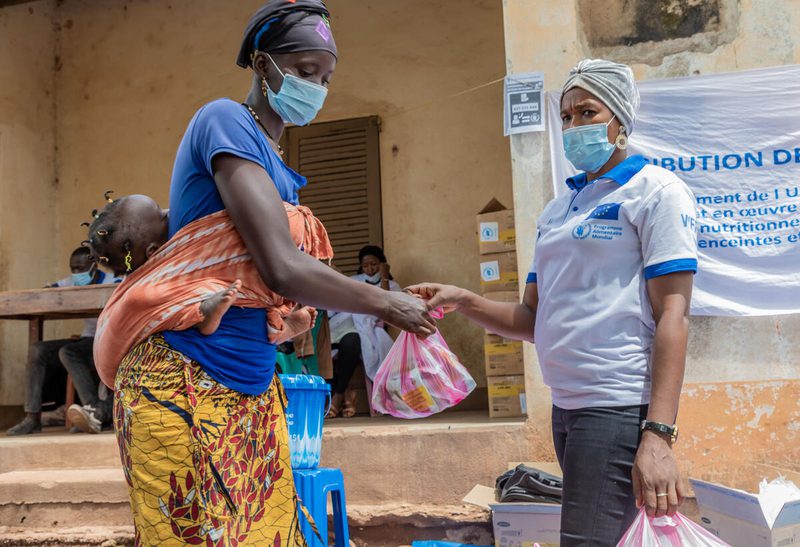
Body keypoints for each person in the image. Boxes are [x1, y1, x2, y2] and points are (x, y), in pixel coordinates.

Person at [109, 2, 433, 545]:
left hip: (251, 391)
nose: (317, 87)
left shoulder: (278, 166)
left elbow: (273, 282)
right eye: (305, 72)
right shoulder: (224, 120)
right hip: (182, 387)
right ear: (262, 66)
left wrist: (296, 315)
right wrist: (386, 303)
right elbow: (281, 266)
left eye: (325, 78)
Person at [409, 59, 698, 545]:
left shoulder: (656, 192)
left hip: (616, 405)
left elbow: (675, 314)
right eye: (565, 117)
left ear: (620, 120)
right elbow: (530, 319)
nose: (573, 127)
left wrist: (658, 434)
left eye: (587, 112)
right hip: (566, 408)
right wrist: (462, 299)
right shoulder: (558, 209)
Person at [86, 192, 329, 386]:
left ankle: (278, 328)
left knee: (223, 300)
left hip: (134, 357)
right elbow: (183, 313)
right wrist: (207, 309)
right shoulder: (147, 290)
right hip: (129, 364)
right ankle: (260, 325)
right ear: (152, 251)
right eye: (162, 215)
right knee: (200, 311)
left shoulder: (175, 267)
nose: (170, 212)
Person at [6, 247, 118, 436]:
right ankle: (32, 418)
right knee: (38, 350)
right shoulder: (70, 282)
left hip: (108, 342)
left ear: (94, 266)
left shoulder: (112, 281)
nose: (76, 273)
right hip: (87, 341)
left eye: (80, 268)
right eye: (73, 269)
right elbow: (46, 294)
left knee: (68, 352)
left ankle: (94, 412)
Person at [327, 245, 399, 417]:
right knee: (335, 347)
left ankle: (338, 397)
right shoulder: (354, 280)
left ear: (382, 264)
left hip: (369, 327)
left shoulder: (392, 285)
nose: (369, 269)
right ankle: (346, 394)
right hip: (345, 325)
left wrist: (383, 277)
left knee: (352, 343)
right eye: (365, 265)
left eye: (374, 264)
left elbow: (389, 306)